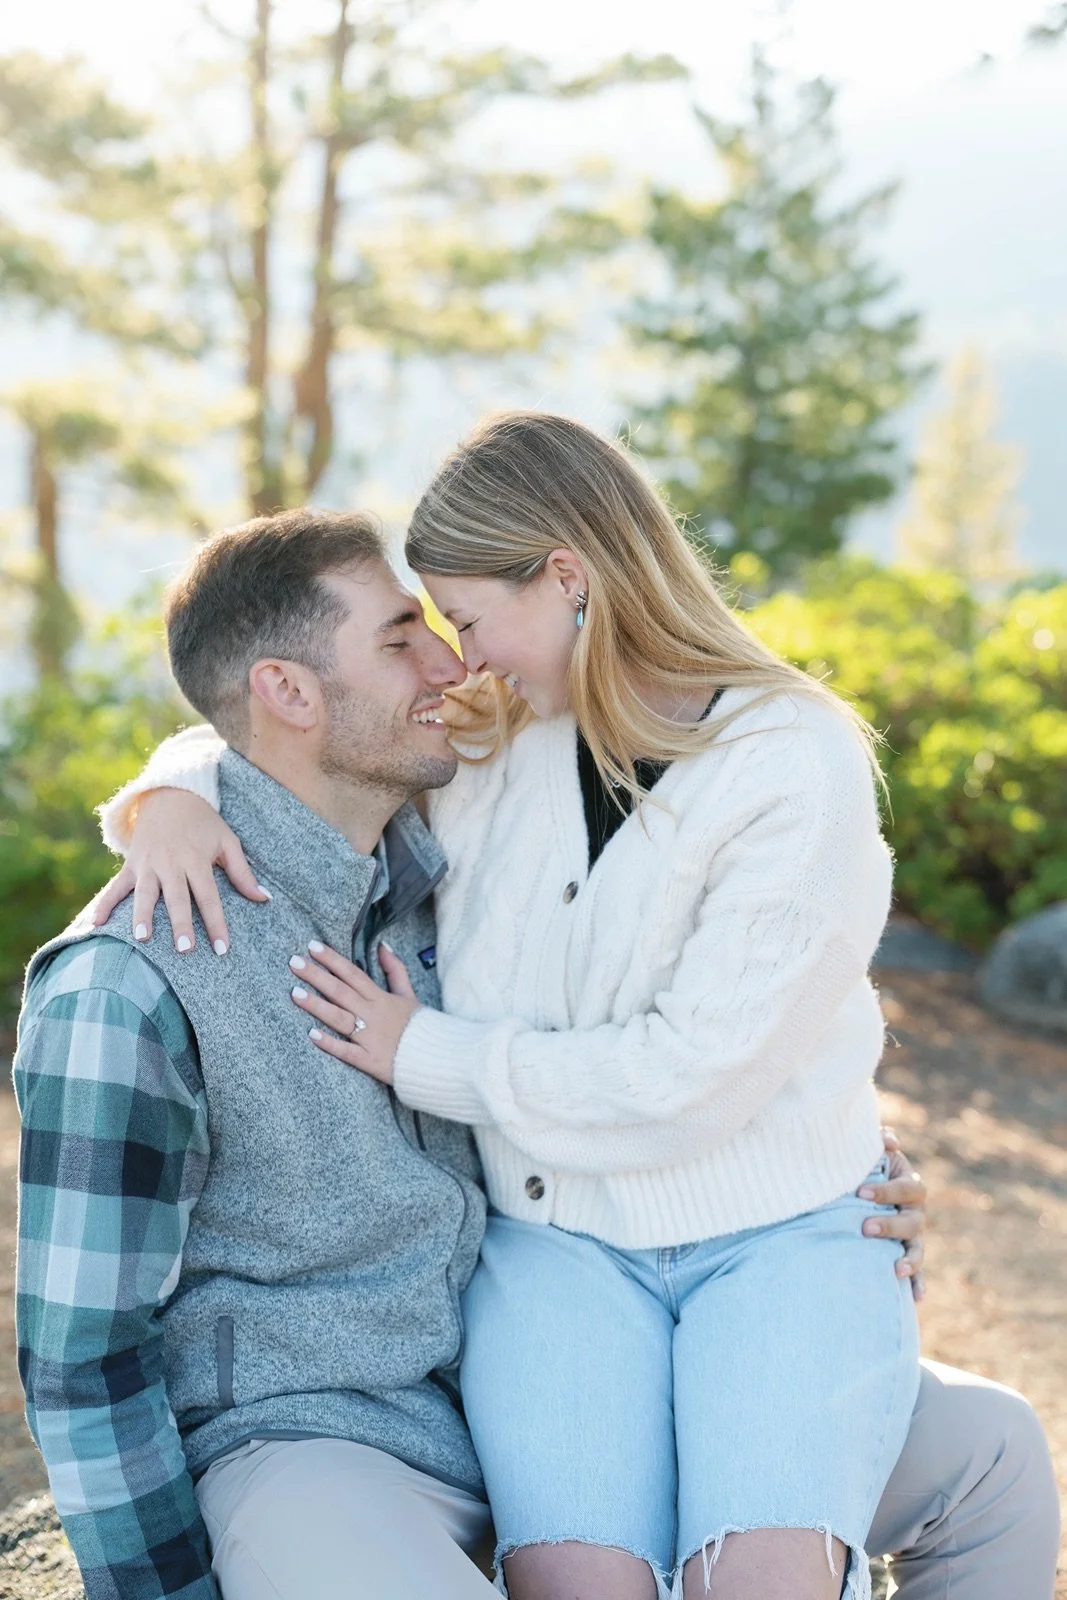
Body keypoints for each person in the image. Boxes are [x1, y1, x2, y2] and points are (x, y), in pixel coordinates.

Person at [96, 419, 1060, 1600]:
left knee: (757, 1583)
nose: (456, 662)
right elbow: (294, 724)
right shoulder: (498, 742)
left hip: (779, 1237)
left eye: (465, 619)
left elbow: (687, 1078)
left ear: (566, 578)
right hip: (554, 1251)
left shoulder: (790, 760)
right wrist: (170, 796)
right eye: (430, 628)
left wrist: (427, 1054)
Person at [14, 511, 495, 1600]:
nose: (447, 664)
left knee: (914, 1458)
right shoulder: (127, 985)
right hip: (302, 1451)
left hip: (516, 1408)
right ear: (287, 691)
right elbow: (83, 1356)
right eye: (400, 639)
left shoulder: (437, 873)